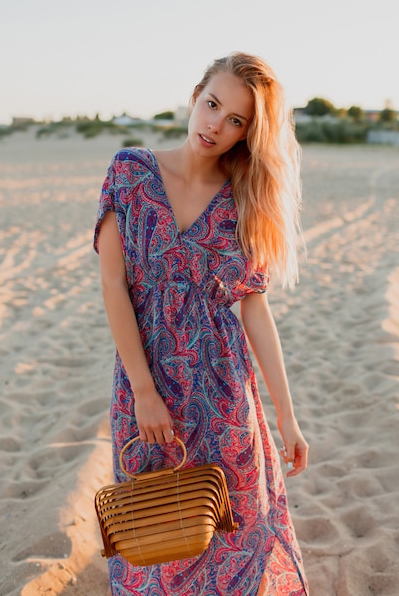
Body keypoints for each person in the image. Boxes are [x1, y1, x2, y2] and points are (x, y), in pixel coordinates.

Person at [94, 51, 309, 595]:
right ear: (195, 98)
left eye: (236, 120)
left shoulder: (245, 203)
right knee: (154, 530)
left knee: (238, 528)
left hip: (225, 393)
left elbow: (254, 308)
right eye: (212, 105)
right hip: (147, 387)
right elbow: (114, 286)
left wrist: (287, 416)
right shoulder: (130, 173)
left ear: (248, 134)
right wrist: (143, 390)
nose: (216, 124)